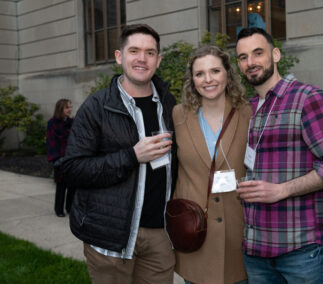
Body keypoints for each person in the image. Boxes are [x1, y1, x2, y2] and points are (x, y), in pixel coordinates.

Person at [235, 27, 323, 283]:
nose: (250, 62)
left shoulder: (307, 97)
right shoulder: (248, 108)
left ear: (276, 54)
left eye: (258, 53)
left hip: (300, 250)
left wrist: (282, 190)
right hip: (255, 251)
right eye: (243, 57)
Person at [60, 24, 177, 283]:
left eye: (149, 53)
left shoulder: (169, 105)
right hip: (111, 239)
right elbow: (72, 170)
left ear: (158, 60)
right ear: (119, 56)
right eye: (134, 50)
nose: (141, 59)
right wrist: (131, 156)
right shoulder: (97, 106)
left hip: (159, 237)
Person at [172, 45, 252, 284]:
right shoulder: (177, 115)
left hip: (238, 233)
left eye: (215, 71)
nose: (208, 79)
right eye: (199, 74)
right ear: (192, 79)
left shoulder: (248, 113)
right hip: (195, 231)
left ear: (227, 73)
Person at [46, 98, 75, 217]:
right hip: (60, 159)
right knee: (61, 186)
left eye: (70, 107)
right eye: (67, 107)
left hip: (72, 157)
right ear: (60, 109)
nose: (70, 109)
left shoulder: (72, 122)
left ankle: (70, 208)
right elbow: (50, 141)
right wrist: (56, 159)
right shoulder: (52, 123)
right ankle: (59, 210)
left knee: (73, 186)